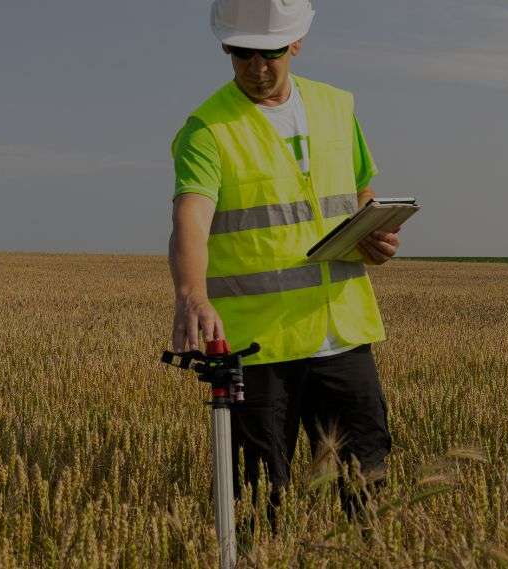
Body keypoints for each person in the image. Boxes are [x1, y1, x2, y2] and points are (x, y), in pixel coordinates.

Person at [168, 0, 401, 525]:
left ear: (295, 43)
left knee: (366, 485)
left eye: (268, 53)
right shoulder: (206, 128)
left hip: (340, 331)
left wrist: (374, 233)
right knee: (256, 496)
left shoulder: (337, 107)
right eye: (240, 53)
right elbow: (191, 214)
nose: (256, 67)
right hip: (258, 345)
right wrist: (191, 293)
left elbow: (361, 190)